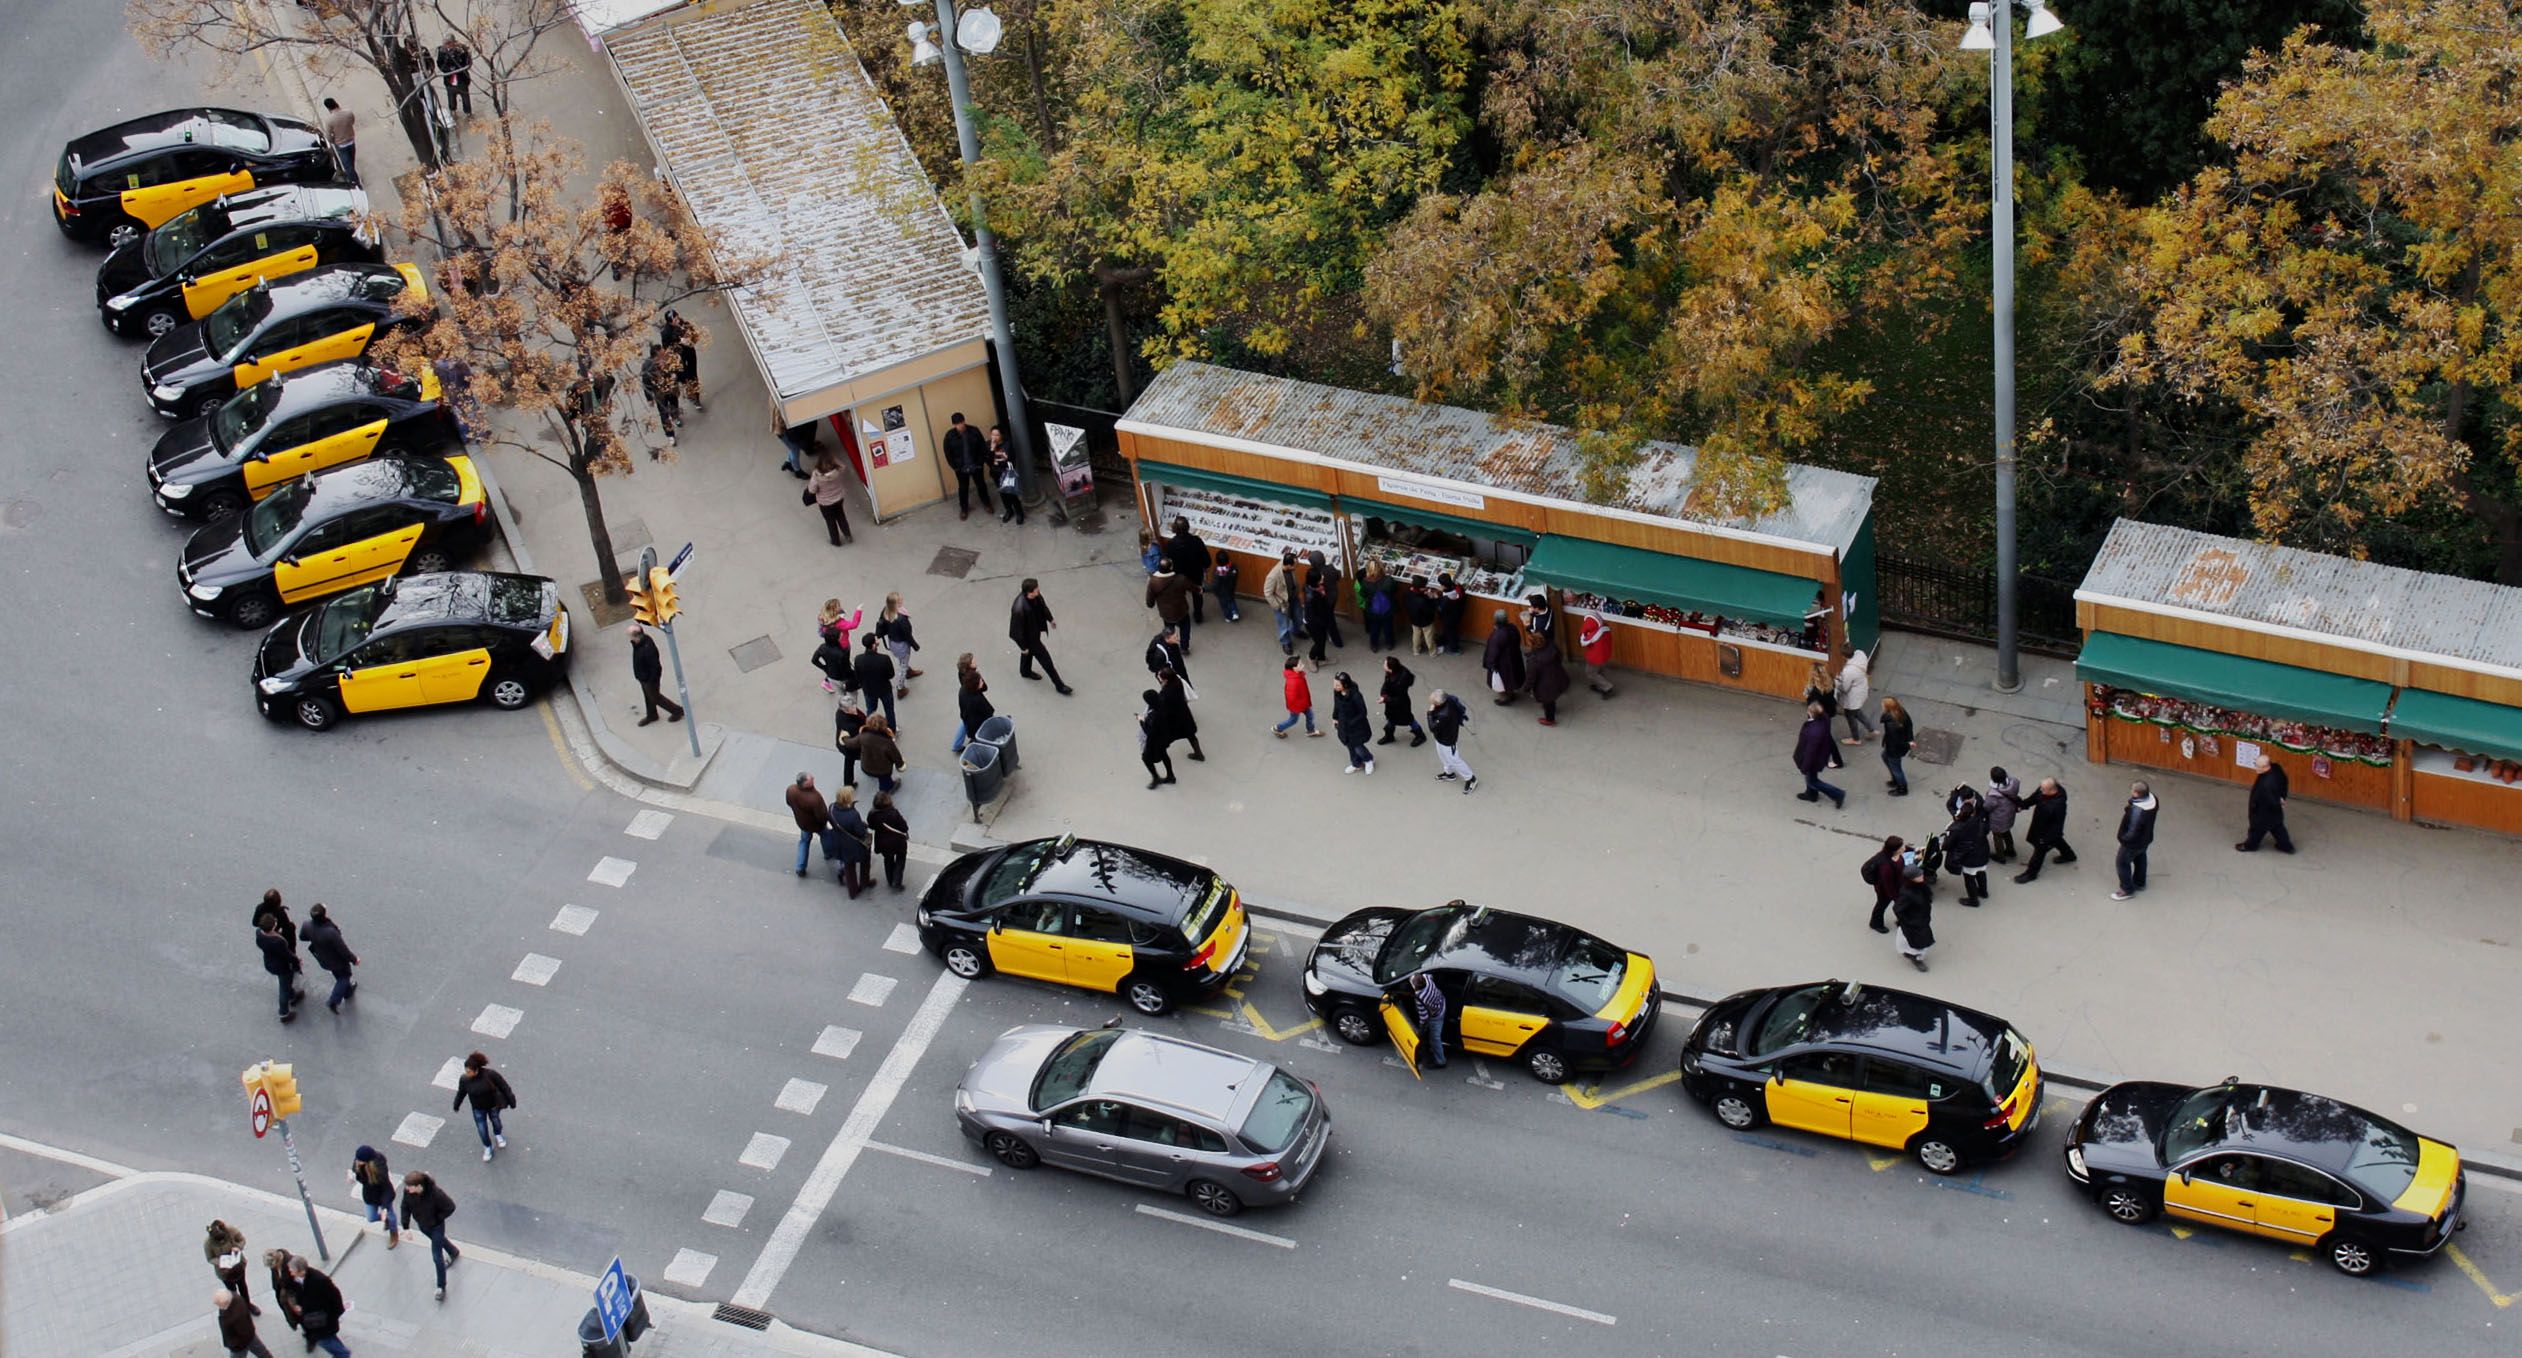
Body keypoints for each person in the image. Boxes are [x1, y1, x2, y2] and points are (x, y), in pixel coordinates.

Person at [400, 1171, 460, 1302]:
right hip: (423, 1225)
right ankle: (453, 1251)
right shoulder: (408, 1192)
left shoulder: (436, 1194)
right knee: (439, 1241)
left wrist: (437, 1218)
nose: (407, 1189)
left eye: (410, 1187)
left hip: (436, 1227)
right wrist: (406, 1227)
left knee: (436, 1256)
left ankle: (441, 1287)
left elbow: (450, 1207)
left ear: (418, 1186)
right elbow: (405, 1207)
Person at [1008, 579, 1071, 694]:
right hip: (1030, 639)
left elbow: (1043, 607)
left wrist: (1050, 619)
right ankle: (1059, 685)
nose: (1039, 591)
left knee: (1028, 653)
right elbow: (1015, 633)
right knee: (1046, 660)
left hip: (1034, 632)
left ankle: (1025, 671)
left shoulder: (1036, 597)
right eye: (1037, 590)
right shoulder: (1019, 609)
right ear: (1029, 592)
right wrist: (1023, 647)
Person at [451, 1051, 515, 1162]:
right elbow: (461, 1093)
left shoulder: (490, 1075)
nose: (467, 1073)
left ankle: (498, 1134)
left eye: (469, 1071)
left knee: (496, 1123)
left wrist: (512, 1100)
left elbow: (504, 1087)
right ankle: (487, 1147)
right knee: (482, 1129)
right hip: (478, 1109)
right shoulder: (465, 1080)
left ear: (476, 1070)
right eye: (466, 1071)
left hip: (493, 1106)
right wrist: (456, 1104)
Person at [2013, 778, 2077, 882]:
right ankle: (2069, 855)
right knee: (2057, 840)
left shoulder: (2058, 806)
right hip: (2042, 825)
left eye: (2043, 789)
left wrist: (2045, 839)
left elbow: (2057, 825)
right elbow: (2034, 798)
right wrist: (2023, 805)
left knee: (2039, 852)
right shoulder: (2045, 793)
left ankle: (2031, 873)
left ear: (2052, 790)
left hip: (2045, 831)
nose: (2040, 790)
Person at [285, 1256, 351, 1357]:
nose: (290, 1273)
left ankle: (343, 1354)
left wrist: (335, 1315)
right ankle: (341, 1352)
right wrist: (297, 1305)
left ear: (301, 1271)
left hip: (324, 1321)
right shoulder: (296, 1279)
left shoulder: (320, 1280)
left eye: (292, 1270)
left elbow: (335, 1297)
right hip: (313, 1321)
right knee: (329, 1339)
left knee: (325, 1341)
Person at [300, 904, 360, 1013]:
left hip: (322, 958)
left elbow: (302, 937)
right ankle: (334, 1000)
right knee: (345, 976)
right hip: (337, 960)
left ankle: (348, 992)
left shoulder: (307, 925)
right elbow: (343, 950)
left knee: (338, 975)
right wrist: (354, 959)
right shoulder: (331, 932)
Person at [2112, 781, 2160, 900]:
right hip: (2145, 839)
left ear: (2137, 793)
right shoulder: (2153, 800)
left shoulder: (2137, 811)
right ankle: (2139, 882)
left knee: (2122, 863)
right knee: (2140, 857)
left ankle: (2127, 889)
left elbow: (2132, 831)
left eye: (2132, 790)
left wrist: (2123, 839)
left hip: (2132, 843)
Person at [1794, 701, 1846, 809]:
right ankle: (1811, 794)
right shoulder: (1824, 719)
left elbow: (1810, 752)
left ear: (1812, 713)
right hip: (1820, 755)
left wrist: (1804, 767)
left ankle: (1838, 794)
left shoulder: (1814, 732)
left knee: (1812, 780)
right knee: (1811, 777)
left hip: (1814, 759)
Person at [628, 623, 683, 725]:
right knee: (648, 696)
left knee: (655, 697)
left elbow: (655, 666)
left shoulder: (647, 648)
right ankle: (652, 715)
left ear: (637, 636)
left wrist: (651, 679)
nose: (629, 639)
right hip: (643, 676)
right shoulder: (638, 643)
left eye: (630, 636)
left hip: (649, 678)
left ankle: (677, 711)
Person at [1945, 791, 1992, 905]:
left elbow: (1948, 844)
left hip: (1970, 858)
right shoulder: (1981, 822)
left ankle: (1973, 900)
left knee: (1969, 878)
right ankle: (1983, 891)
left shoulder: (1958, 828)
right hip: (1983, 852)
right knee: (1981, 873)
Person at [2239, 756, 2294, 853]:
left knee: (2257, 829)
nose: (2255, 768)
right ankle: (2286, 847)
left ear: (2265, 767)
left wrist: (2255, 807)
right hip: (2274, 811)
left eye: (2257, 766)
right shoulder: (2276, 769)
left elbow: (2271, 801)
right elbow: (2284, 781)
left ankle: (2250, 846)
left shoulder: (2266, 784)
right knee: (2278, 828)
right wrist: (2282, 797)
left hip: (2263, 810)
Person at [942, 411, 992, 518]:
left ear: (964, 421)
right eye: (957, 424)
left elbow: (982, 447)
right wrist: (955, 467)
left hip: (976, 465)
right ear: (954, 425)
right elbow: (948, 453)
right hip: (961, 468)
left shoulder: (974, 431)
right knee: (963, 488)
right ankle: (964, 509)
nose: (960, 426)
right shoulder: (949, 436)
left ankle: (987, 504)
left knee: (981, 485)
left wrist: (980, 462)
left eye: (961, 423)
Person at [827, 787, 873, 898]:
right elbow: (860, 832)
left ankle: (853, 891)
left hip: (840, 841)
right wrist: (864, 825)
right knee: (865, 860)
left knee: (849, 866)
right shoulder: (853, 815)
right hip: (854, 844)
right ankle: (864, 882)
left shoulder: (832, 808)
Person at [1428, 688, 1476, 793]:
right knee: (1443, 755)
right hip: (1441, 737)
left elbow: (1432, 727)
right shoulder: (1448, 700)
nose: (1432, 705)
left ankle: (1471, 778)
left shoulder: (1444, 714)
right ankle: (1449, 773)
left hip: (1448, 740)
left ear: (1440, 703)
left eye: (1434, 703)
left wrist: (1430, 713)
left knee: (1455, 760)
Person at [349, 1145, 398, 1247]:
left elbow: (386, 1189)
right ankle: (387, 1220)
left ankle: (394, 1233)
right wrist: (353, 1176)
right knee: (371, 1217)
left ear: (367, 1162)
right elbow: (356, 1173)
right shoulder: (359, 1163)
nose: (357, 1162)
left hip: (383, 1197)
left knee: (390, 1214)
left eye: (360, 1160)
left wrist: (384, 1207)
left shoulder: (380, 1170)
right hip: (370, 1196)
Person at [1167, 516, 1213, 624]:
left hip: (1179, 576)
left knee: (1179, 595)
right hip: (1195, 574)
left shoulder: (1171, 544)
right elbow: (1207, 561)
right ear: (1188, 527)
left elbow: (1168, 561)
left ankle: (1181, 615)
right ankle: (1198, 615)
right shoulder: (1196, 541)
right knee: (1197, 594)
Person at [785, 772, 831, 878]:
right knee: (826, 836)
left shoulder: (791, 790)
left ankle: (800, 867)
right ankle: (828, 853)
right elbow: (822, 816)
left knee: (804, 842)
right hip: (817, 825)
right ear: (806, 784)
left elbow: (788, 802)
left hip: (802, 824)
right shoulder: (815, 798)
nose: (813, 778)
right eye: (811, 779)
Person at [1525, 622, 1572, 726]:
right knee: (1552, 698)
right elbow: (1560, 656)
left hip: (1545, 687)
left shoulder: (1533, 660)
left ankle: (1550, 720)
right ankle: (1552, 709)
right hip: (1558, 677)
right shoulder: (1552, 647)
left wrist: (1527, 688)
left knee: (1548, 703)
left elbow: (1531, 678)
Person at [256, 916, 302, 1023]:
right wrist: (297, 962)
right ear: (272, 927)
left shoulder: (259, 933)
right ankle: (284, 1013)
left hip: (269, 962)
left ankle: (292, 995)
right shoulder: (278, 941)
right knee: (283, 988)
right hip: (282, 966)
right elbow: (287, 955)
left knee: (286, 984)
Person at [206, 1220, 257, 1313]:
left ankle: (248, 1305)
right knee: (232, 1291)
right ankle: (239, 1308)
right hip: (224, 1272)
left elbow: (242, 1240)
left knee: (243, 1286)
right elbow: (210, 1258)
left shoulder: (232, 1231)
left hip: (238, 1266)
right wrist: (221, 1262)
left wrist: (238, 1247)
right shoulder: (208, 1243)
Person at [1145, 559, 1194, 654]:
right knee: (1185, 627)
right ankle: (1184, 647)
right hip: (1181, 610)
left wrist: (1151, 604)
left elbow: (1149, 601)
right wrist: (1199, 590)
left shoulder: (1154, 581)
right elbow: (1192, 587)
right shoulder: (1180, 579)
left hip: (1166, 613)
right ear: (1171, 567)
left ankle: (1171, 646)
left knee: (1169, 629)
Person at [1331, 672, 1376, 775]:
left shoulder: (1356, 696)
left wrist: (1350, 723)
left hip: (1356, 727)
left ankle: (1368, 759)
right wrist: (1334, 717)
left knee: (1358, 747)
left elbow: (1363, 712)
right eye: (1334, 684)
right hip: (1343, 725)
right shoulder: (1337, 692)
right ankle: (1356, 763)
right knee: (1349, 746)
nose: (1334, 687)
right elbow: (1336, 705)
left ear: (1345, 685)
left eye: (1337, 685)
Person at [1893, 864, 1935, 972]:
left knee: (1919, 940)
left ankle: (1913, 955)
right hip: (1914, 923)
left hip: (1922, 919)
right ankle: (1916, 958)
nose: (1921, 875)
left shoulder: (1920, 886)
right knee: (1919, 942)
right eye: (1918, 875)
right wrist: (1908, 921)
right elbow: (1897, 908)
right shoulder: (1907, 894)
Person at [878, 593, 922, 695]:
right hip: (901, 645)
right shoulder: (901, 618)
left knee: (902, 660)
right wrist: (915, 645)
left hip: (893, 642)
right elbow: (907, 634)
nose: (902, 601)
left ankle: (908, 670)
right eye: (899, 600)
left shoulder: (885, 612)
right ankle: (900, 687)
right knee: (903, 664)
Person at [805, 453, 854, 545]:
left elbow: (812, 490)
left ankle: (836, 541)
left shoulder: (816, 476)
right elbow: (843, 466)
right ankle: (848, 535)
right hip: (838, 498)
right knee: (841, 517)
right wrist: (834, 459)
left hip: (825, 503)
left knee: (830, 522)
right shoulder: (838, 471)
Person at [1803, 663, 1846, 769]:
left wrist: (1808, 697)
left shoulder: (1815, 692)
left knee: (1826, 737)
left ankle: (1837, 760)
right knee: (1824, 735)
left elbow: (1812, 704)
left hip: (1818, 716)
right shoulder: (1829, 683)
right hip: (1828, 712)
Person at [852, 633, 898, 731]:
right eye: (876, 641)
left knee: (871, 710)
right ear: (873, 645)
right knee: (889, 711)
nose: (878, 642)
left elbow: (857, 675)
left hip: (868, 690)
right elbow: (891, 675)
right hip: (884, 689)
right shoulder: (884, 659)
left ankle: (870, 729)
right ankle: (892, 730)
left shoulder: (858, 659)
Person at [1157, 665, 1203, 761]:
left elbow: (1163, 705)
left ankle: (1158, 752)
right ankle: (1198, 754)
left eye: (1161, 676)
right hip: (1184, 713)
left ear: (1166, 679)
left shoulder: (1167, 693)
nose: (1158, 677)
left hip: (1173, 717)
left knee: (1167, 736)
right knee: (1190, 734)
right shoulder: (1177, 682)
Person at [1377, 656, 1425, 745]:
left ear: (1390, 667)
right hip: (1392, 703)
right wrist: (1384, 694)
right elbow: (1386, 684)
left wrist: (1385, 698)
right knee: (1391, 719)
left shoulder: (1401, 681)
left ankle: (1420, 736)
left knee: (1409, 720)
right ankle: (1389, 736)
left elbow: (1399, 699)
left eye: (1385, 664)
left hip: (1401, 705)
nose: (1383, 665)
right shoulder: (1391, 672)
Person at [1482, 610, 1526, 704]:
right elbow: (1518, 640)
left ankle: (1504, 699)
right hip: (1514, 658)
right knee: (1512, 678)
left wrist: (1490, 664)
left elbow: (1492, 652)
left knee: (1501, 683)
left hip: (1502, 664)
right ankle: (1511, 693)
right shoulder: (1513, 628)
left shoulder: (1497, 635)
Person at [1864, 835, 1906, 934]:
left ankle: (1902, 920)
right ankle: (1875, 923)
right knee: (1882, 905)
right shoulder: (1886, 866)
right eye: (1902, 847)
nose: (1904, 848)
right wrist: (1895, 897)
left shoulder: (1895, 854)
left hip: (1898, 884)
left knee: (1901, 903)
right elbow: (1888, 885)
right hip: (1885, 890)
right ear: (1895, 850)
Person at [1264, 550, 1303, 656]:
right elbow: (1268, 593)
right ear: (1289, 565)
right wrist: (1277, 606)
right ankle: (1285, 642)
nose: (1297, 566)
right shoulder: (1273, 576)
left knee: (1298, 617)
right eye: (1295, 565)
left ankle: (1296, 631)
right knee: (1283, 624)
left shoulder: (1289, 567)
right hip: (1281, 603)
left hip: (1293, 597)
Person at [216, 1287, 274, 1358]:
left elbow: (240, 1331)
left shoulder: (230, 1317)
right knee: (262, 1352)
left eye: (218, 1304)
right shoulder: (236, 1299)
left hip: (240, 1344)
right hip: (250, 1335)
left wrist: (233, 1345)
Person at [661, 310, 703, 409]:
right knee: (684, 376)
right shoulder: (666, 333)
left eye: (677, 318)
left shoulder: (684, 324)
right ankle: (688, 391)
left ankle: (696, 398)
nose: (677, 321)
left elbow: (694, 335)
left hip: (689, 352)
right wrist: (679, 342)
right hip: (678, 356)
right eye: (675, 320)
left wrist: (691, 340)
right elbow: (667, 348)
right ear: (669, 322)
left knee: (693, 374)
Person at [870, 791, 911, 890]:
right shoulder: (893, 813)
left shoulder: (872, 814)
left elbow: (871, 825)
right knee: (900, 859)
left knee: (888, 859)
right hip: (897, 841)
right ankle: (897, 880)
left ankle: (890, 879)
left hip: (882, 841)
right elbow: (904, 827)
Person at [641, 346, 681, 447]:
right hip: (659, 393)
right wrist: (649, 398)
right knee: (664, 413)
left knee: (674, 404)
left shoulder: (668, 359)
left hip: (671, 388)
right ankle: (670, 434)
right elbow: (645, 383)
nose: (665, 352)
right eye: (662, 352)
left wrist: (675, 376)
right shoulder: (647, 366)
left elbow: (676, 368)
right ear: (656, 353)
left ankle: (675, 417)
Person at [1138, 688, 1178, 789]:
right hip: (1164, 736)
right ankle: (1170, 775)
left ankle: (1156, 778)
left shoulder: (1154, 715)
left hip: (1155, 740)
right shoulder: (1162, 705)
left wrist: (1141, 721)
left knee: (1146, 758)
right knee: (1164, 754)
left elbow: (1149, 732)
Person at [856, 711, 904, 793]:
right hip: (882, 770)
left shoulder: (863, 736)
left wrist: (844, 738)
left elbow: (851, 743)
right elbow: (895, 755)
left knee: (874, 772)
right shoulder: (887, 741)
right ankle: (888, 788)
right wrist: (900, 765)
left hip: (866, 766)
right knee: (884, 780)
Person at [1272, 655, 1320, 738]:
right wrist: (1301, 706)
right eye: (1300, 664)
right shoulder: (1294, 681)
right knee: (1293, 720)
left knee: (1310, 715)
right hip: (1298, 706)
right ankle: (1278, 728)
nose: (1303, 665)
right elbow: (1292, 698)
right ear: (1294, 668)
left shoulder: (1297, 676)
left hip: (1302, 703)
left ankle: (1311, 730)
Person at [951, 659, 992, 756]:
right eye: (980, 681)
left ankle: (956, 746)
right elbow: (988, 712)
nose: (982, 681)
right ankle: (969, 754)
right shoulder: (977, 699)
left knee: (964, 725)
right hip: (976, 723)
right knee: (977, 739)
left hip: (966, 715)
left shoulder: (963, 690)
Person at [1411, 971, 1449, 1070]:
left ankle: (1441, 1061)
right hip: (1441, 1003)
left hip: (1436, 1016)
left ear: (1416, 987)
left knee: (1434, 1039)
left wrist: (1420, 1030)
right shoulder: (1427, 979)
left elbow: (1423, 1017)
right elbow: (1429, 974)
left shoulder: (1420, 997)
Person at [1985, 767, 2025, 862]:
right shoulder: (2014, 783)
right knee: (2006, 832)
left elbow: (1987, 806)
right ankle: (2010, 850)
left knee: (1997, 836)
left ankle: (2000, 856)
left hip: (1998, 820)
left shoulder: (1993, 794)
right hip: (2009, 814)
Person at [1836, 649, 1876, 743]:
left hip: (1853, 698)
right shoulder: (1860, 654)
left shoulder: (1848, 671)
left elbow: (1845, 688)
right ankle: (1871, 729)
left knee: (1850, 717)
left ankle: (1855, 739)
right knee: (1858, 713)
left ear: (1844, 656)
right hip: (1862, 688)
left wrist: (1838, 682)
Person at [1301, 571, 1338, 669]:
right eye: (1320, 578)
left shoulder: (1313, 589)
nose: (1322, 577)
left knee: (1322, 639)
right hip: (1314, 623)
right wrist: (1323, 623)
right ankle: (1311, 658)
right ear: (1315, 581)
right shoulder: (1312, 597)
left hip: (1320, 619)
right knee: (1319, 642)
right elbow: (1312, 615)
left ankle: (1322, 659)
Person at [1358, 563, 1398, 652]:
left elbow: (1363, 594)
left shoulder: (1365, 582)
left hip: (1373, 610)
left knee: (1374, 629)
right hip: (1387, 610)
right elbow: (1395, 589)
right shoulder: (1388, 580)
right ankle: (1389, 643)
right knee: (1388, 628)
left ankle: (1374, 645)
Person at [263, 1249, 303, 1337]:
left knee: (301, 1315)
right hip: (285, 1296)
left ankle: (309, 1333)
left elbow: (300, 1283)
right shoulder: (275, 1266)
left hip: (296, 1296)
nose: (272, 1269)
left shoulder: (293, 1264)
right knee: (293, 1315)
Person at [1878, 696, 1913, 796]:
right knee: (1885, 757)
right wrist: (1910, 740)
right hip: (1897, 747)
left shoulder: (1891, 723)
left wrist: (1907, 743)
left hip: (1894, 749)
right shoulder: (1901, 712)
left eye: (1883, 704)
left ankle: (1902, 788)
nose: (1881, 706)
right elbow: (1910, 725)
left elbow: (1895, 740)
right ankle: (1896, 779)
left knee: (1896, 768)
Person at [1578, 608, 1617, 697]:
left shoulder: (1594, 634)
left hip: (1595, 657)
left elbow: (1583, 642)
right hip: (1605, 654)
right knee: (1599, 671)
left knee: (1590, 673)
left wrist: (1584, 633)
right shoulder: (1605, 627)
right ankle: (1600, 686)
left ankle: (1607, 687)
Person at [833, 692, 866, 786]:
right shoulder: (850, 725)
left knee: (848, 762)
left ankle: (848, 783)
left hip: (845, 745)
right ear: (845, 710)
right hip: (851, 746)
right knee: (853, 759)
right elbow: (859, 739)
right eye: (852, 707)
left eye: (854, 705)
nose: (854, 708)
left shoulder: (840, 712)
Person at [435, 33, 472, 116]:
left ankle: (468, 113)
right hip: (449, 79)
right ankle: (453, 112)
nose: (447, 45)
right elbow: (439, 63)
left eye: (449, 43)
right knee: (451, 98)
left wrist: (459, 68)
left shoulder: (461, 50)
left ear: (453, 42)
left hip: (461, 78)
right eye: (445, 43)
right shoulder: (442, 51)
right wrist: (448, 70)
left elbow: (467, 62)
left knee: (465, 98)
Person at [321, 97, 357, 183]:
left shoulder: (329, 120)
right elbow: (352, 122)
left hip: (340, 144)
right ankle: (352, 173)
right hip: (351, 140)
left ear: (328, 108)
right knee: (351, 160)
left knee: (347, 165)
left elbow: (328, 136)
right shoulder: (348, 113)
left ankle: (354, 181)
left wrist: (333, 140)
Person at [991, 437, 1024, 523]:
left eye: (997, 434)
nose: (994, 437)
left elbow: (1011, 459)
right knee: (1003, 494)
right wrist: (991, 449)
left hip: (1006, 473)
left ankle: (1019, 513)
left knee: (1011, 494)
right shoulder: (990, 445)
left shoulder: (1007, 444)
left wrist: (1004, 458)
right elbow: (988, 459)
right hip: (996, 474)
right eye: (992, 434)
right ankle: (1009, 511)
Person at [1404, 576, 1439, 655]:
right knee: (1429, 636)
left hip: (1414, 619)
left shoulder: (1408, 593)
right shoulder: (1421, 600)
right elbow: (1430, 610)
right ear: (1421, 588)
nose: (1426, 587)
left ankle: (1416, 650)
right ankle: (1433, 652)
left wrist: (1424, 594)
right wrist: (1434, 599)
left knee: (1416, 635)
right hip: (1426, 620)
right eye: (1425, 587)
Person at [1434, 573, 1467, 654]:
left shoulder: (1447, 599)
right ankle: (1445, 640)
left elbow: (1440, 608)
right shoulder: (1458, 588)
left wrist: (1436, 598)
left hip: (1448, 617)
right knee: (1450, 630)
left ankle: (1454, 649)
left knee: (1451, 632)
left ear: (1444, 585)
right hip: (1457, 613)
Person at [1209, 554, 1242, 622]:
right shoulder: (1233, 567)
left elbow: (1214, 585)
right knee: (1231, 600)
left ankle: (1228, 617)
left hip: (1221, 592)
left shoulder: (1217, 572)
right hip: (1230, 589)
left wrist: (1204, 589)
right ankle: (1235, 612)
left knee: (1224, 605)